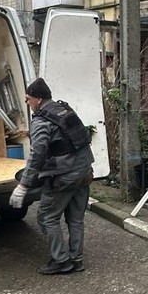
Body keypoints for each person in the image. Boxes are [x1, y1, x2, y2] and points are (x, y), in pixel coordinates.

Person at [10, 77, 94, 275]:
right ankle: (76, 259)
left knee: (47, 217)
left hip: (64, 176)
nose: (27, 103)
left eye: (28, 99)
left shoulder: (41, 120)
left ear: (38, 99)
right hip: (85, 171)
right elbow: (72, 140)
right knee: (76, 219)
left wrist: (23, 185)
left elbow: (37, 155)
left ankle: (61, 261)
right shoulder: (64, 110)